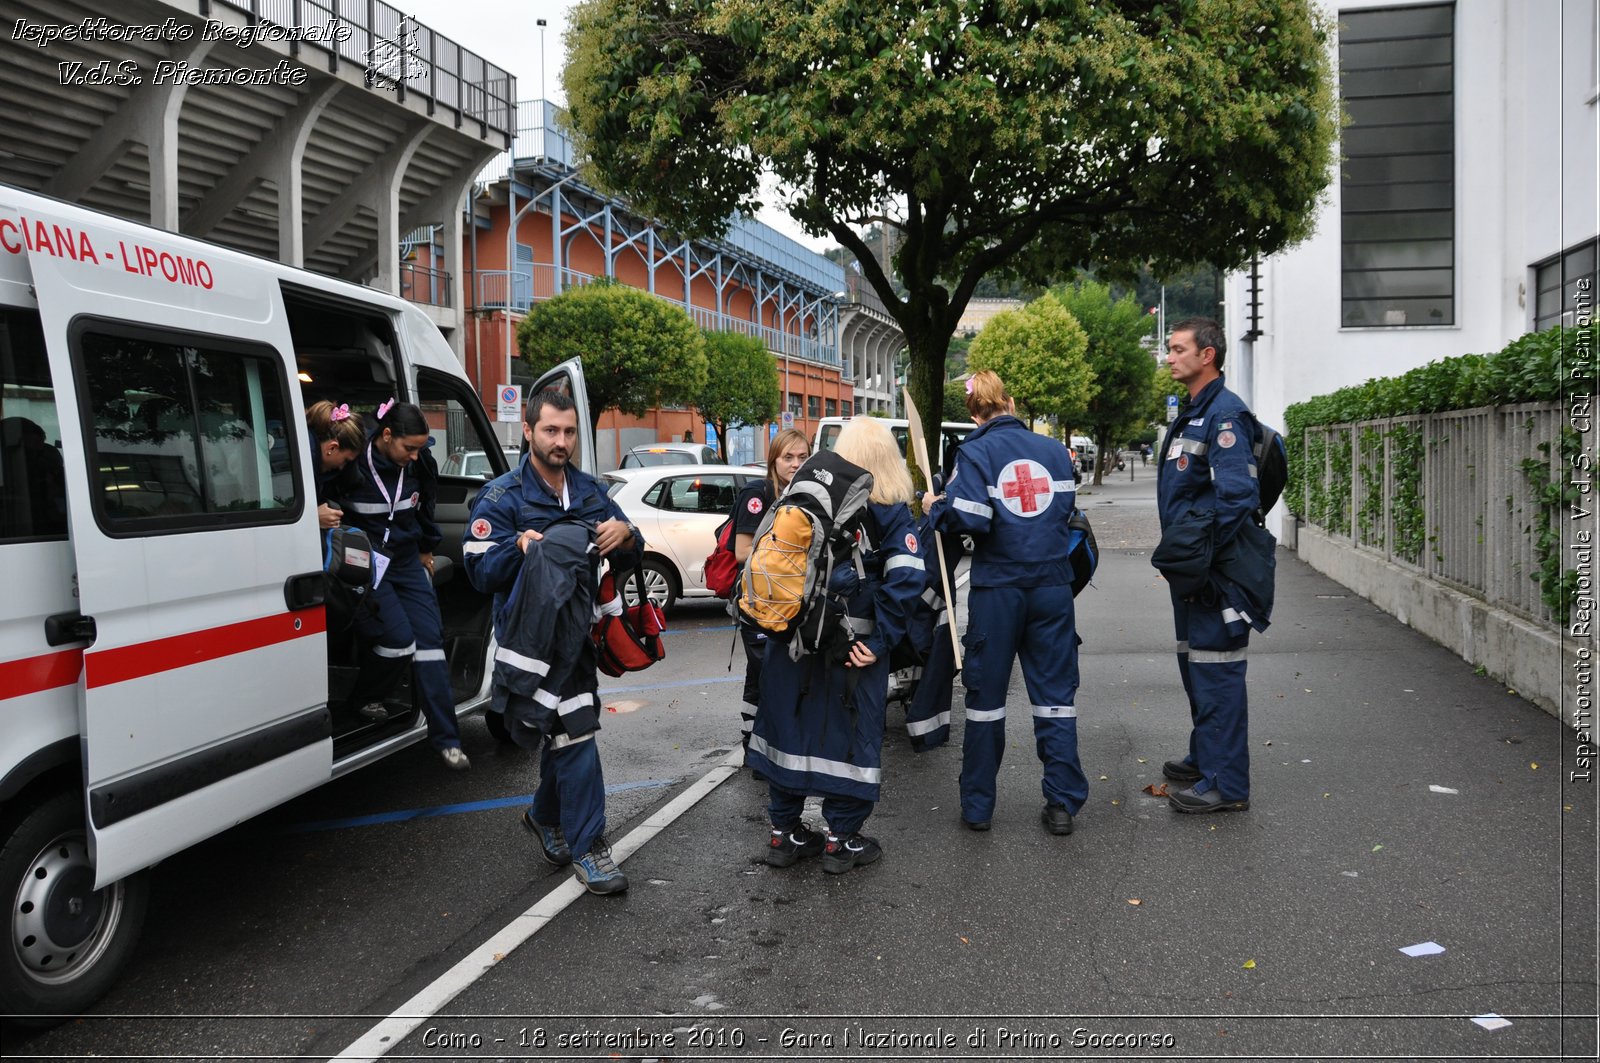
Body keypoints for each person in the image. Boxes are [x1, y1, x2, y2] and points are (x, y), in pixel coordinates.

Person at [462, 389, 641, 895]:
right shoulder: (501, 497)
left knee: (561, 731)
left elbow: (631, 552)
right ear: (527, 430)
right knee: (578, 733)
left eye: (568, 432)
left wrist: (624, 536)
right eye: (550, 431)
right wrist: (518, 548)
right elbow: (478, 569)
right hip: (531, 641)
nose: (560, 441)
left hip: (579, 639)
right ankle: (591, 848)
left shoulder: (590, 489)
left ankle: (544, 816)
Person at [746, 417, 925, 874]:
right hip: (854, 648)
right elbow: (907, 581)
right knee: (849, 740)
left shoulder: (803, 495)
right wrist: (882, 641)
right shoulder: (888, 507)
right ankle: (840, 840)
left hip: (795, 641)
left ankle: (783, 835)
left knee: (790, 730)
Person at [923, 370, 1086, 836]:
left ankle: (978, 808)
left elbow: (970, 517)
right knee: (1056, 699)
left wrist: (936, 503)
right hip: (1053, 588)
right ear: (1010, 403)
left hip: (999, 590)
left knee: (986, 702)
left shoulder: (974, 452)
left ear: (974, 413)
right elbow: (1064, 512)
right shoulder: (1055, 452)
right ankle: (1062, 803)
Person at [1155, 318, 1270, 814]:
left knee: (1218, 671)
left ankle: (1227, 785)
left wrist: (1202, 561)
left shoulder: (1225, 416)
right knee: (1196, 665)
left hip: (1216, 577)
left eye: (1178, 349)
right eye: (1168, 349)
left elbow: (1238, 498)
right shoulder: (1196, 411)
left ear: (1208, 356)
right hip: (1196, 577)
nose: (1169, 357)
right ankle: (1207, 757)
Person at [337, 399, 469, 768]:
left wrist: (428, 546)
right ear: (387, 435)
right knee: (398, 641)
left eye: (420, 448)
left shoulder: (419, 464)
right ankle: (365, 697)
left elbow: (426, 504)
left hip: (407, 561)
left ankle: (447, 740)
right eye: (408, 448)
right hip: (367, 563)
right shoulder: (355, 461)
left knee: (431, 644)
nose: (415, 456)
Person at [729, 428, 811, 747]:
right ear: (774, 460)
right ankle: (768, 742)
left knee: (759, 674)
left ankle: (754, 737)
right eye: (788, 457)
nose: (795, 464)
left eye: (802, 457)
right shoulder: (759, 494)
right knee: (770, 669)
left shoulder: (802, 496)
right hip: (757, 603)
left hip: (786, 602)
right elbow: (741, 551)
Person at [305, 400, 364, 529]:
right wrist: (312, 518)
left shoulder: (308, 459)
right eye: (346, 460)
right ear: (331, 448)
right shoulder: (298, 467)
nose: (342, 467)